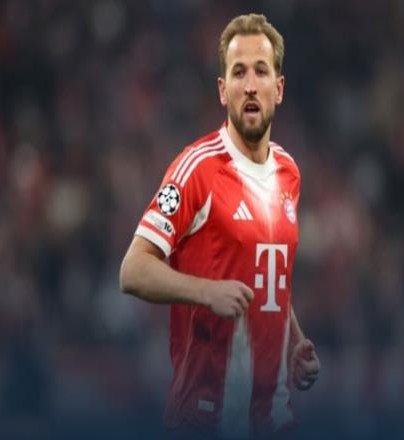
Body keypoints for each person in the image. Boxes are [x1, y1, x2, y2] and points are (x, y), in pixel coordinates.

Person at [120, 13, 320, 439]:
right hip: (204, 421)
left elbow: (267, 272)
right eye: (238, 72)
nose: (250, 85)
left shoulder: (289, 172)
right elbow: (133, 270)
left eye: (261, 71)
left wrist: (293, 341)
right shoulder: (196, 169)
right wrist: (205, 291)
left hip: (273, 420)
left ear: (278, 89)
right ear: (222, 90)